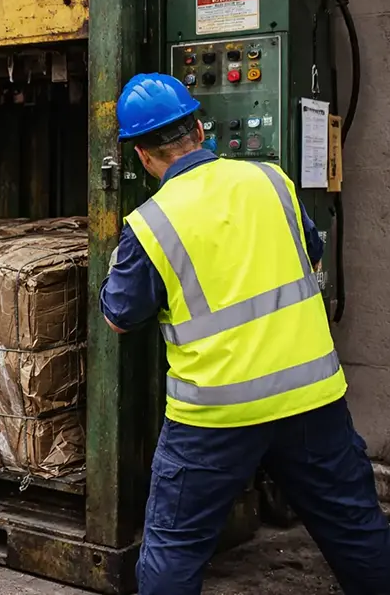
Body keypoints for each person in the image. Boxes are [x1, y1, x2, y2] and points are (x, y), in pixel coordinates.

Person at [101, 73, 390, 594]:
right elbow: (312, 252)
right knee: (355, 528)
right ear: (199, 130)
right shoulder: (271, 180)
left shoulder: (149, 224)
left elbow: (119, 316)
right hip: (310, 398)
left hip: (215, 416)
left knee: (176, 548)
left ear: (142, 156)